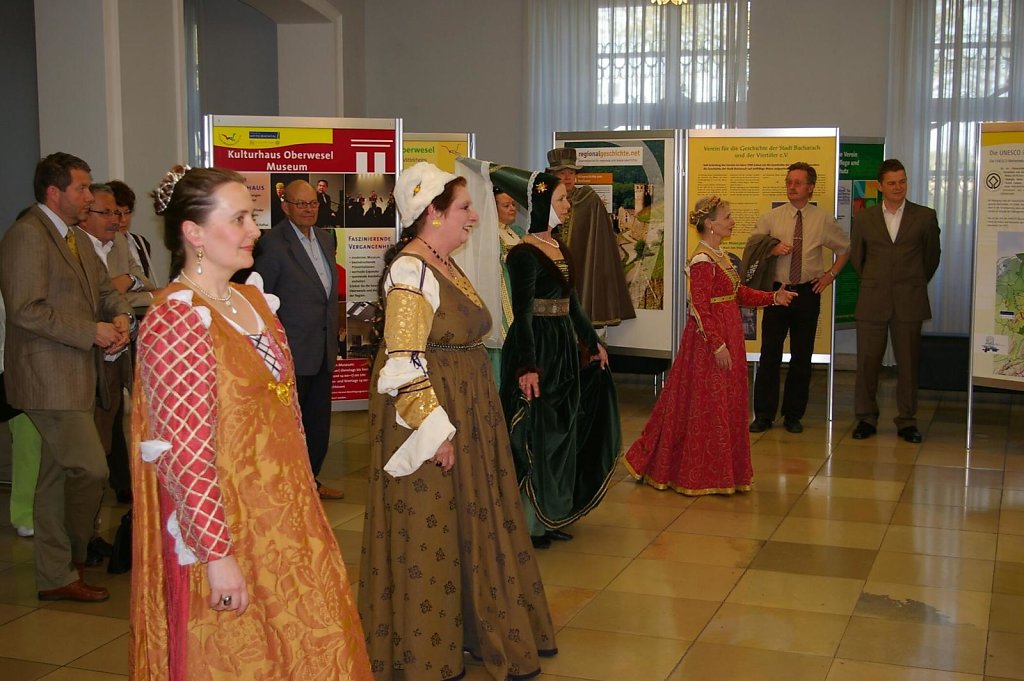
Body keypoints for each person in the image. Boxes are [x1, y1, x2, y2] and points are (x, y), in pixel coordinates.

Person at [130, 165, 371, 680]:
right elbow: (184, 452)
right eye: (238, 218)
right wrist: (217, 555)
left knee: (312, 642)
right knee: (243, 656)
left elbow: (285, 417)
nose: (254, 230)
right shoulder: (175, 320)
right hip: (228, 522)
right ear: (193, 233)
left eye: (252, 217)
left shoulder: (251, 299)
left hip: (285, 516)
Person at [359, 162, 557, 681]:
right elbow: (402, 359)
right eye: (465, 208)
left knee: (470, 517)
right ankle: (428, 649)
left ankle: (477, 627)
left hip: (463, 401)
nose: (474, 217)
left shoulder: (441, 260)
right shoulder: (411, 270)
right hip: (432, 410)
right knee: (433, 524)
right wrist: (433, 431)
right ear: (433, 212)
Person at [0, 152, 132, 603]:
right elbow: (25, 309)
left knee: (56, 476)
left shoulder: (73, 237)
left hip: (76, 373)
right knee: (90, 467)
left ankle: (55, 574)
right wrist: (89, 331)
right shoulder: (27, 236)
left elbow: (103, 291)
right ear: (53, 192)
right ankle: (76, 554)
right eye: (80, 188)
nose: (88, 196)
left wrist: (120, 319)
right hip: (45, 376)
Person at [625, 197, 796, 495]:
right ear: (711, 225)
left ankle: (723, 472)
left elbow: (738, 293)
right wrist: (717, 346)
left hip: (728, 336)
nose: (732, 221)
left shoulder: (721, 256)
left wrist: (772, 298)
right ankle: (699, 472)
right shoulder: (703, 260)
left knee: (725, 405)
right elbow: (701, 307)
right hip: (709, 344)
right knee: (707, 407)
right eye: (727, 217)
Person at [493, 164, 620, 550]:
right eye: (562, 199)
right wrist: (527, 366)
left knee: (563, 432)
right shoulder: (523, 253)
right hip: (539, 348)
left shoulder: (560, 247)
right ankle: (530, 523)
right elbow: (524, 311)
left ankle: (552, 514)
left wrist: (592, 340)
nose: (568, 205)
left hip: (564, 344)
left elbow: (573, 302)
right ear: (544, 202)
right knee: (539, 434)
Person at [253, 179, 344, 500]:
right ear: (286, 206)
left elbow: (327, 294)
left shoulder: (325, 238)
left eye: (313, 203)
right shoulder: (272, 244)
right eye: (301, 204)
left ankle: (311, 481)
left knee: (319, 422)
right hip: (290, 349)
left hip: (323, 348)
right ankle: (287, 484)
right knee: (290, 424)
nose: (309, 210)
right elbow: (259, 300)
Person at [748, 162, 850, 434]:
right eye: (789, 181)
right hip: (777, 293)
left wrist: (830, 276)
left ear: (810, 187)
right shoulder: (772, 217)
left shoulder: (823, 219)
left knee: (802, 356)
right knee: (769, 354)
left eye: (797, 182)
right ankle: (764, 415)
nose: (791, 186)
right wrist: (771, 248)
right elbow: (752, 249)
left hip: (807, 293)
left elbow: (845, 249)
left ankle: (793, 415)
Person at [850, 159, 941, 443]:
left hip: (909, 301)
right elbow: (858, 259)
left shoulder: (925, 216)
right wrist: (879, 282)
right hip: (872, 300)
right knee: (867, 363)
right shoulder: (865, 218)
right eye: (891, 183)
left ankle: (906, 421)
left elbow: (931, 259)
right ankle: (865, 418)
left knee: (908, 364)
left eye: (902, 181)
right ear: (880, 187)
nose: (898, 187)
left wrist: (911, 282)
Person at [78, 183, 155, 509]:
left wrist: (122, 301)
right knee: (95, 447)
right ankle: (87, 530)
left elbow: (141, 283)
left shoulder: (121, 242)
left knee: (136, 421)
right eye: (106, 213)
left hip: (124, 343)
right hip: (87, 353)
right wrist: (121, 290)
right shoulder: (75, 246)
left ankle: (138, 492)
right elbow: (90, 298)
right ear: (85, 215)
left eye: (119, 213)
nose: (116, 220)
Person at [546, 147, 635, 327]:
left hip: (581, 271)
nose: (568, 177)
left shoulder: (588, 199)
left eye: (571, 172)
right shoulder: (544, 201)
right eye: (562, 173)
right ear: (553, 174)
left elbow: (601, 244)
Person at [1, 289, 43, 539]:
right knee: (28, 445)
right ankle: (24, 513)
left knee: (29, 444)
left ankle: (25, 513)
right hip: (12, 368)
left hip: (18, 367)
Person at [486, 187, 526, 383]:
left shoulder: (516, 232)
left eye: (513, 205)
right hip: (502, 295)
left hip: (519, 293)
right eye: (506, 205)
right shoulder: (489, 236)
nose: (512, 209)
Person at [110, 179, 160, 286]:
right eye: (117, 213)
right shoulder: (102, 245)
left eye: (127, 212)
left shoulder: (141, 242)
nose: (123, 220)